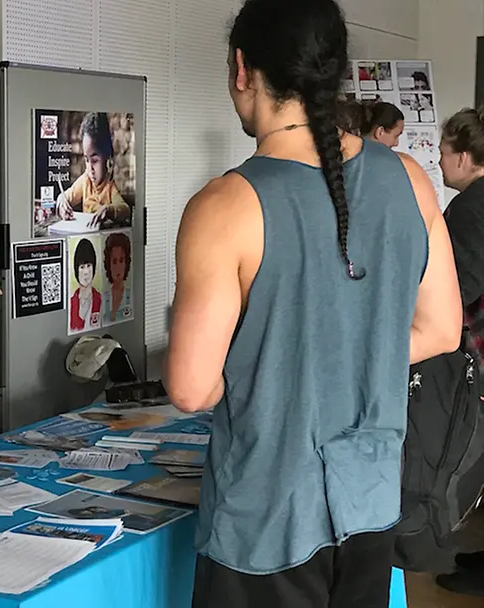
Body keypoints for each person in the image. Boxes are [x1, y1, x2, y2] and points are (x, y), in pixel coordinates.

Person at [161, 1, 462, 606]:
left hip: (265, 514)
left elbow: (193, 389)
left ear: (242, 70)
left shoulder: (225, 205)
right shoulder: (409, 177)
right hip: (370, 498)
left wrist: (272, 371)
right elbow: (442, 329)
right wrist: (351, 359)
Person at [434, 107, 484, 598]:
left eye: (444, 152)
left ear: (465, 158)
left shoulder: (470, 208)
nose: (440, 160)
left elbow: (461, 288)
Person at [55, 112, 131, 228]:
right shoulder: (85, 181)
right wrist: (62, 203)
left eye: (95, 160)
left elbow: (125, 210)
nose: (90, 168)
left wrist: (108, 210)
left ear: (107, 157)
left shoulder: (109, 187)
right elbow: (65, 196)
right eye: (86, 160)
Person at [69, 237, 102, 332]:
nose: (86, 272)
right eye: (82, 267)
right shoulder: (71, 302)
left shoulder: (100, 299)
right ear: (76, 270)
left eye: (89, 266)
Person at [102, 231, 132, 324]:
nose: (118, 267)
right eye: (114, 262)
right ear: (108, 265)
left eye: (121, 260)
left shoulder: (130, 295)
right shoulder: (104, 297)